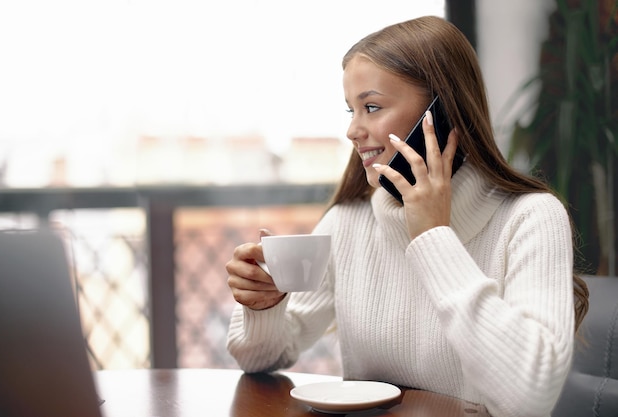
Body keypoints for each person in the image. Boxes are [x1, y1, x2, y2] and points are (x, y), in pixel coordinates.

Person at [225, 15, 589, 417]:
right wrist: (263, 308)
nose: (353, 131)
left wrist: (434, 237)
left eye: (372, 107)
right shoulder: (350, 222)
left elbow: (530, 398)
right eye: (351, 110)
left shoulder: (531, 219)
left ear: (442, 112)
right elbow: (260, 360)